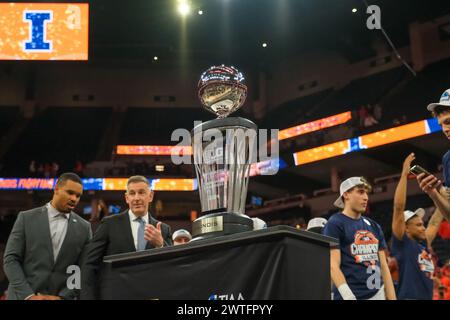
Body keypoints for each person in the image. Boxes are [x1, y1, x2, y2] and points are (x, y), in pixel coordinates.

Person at [81, 175, 172, 300]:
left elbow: (172, 268)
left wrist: (161, 245)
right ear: (126, 197)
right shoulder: (109, 224)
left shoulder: (163, 229)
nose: (137, 198)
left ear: (150, 196)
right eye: (132, 193)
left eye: (141, 193)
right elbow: (89, 265)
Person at [3, 173, 91, 300]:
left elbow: (83, 269)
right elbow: (10, 260)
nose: (74, 199)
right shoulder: (26, 218)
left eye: (78, 196)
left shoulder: (84, 227)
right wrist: (29, 296)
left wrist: (64, 297)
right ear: (56, 190)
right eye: (70, 192)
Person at [322, 177, 396, 300]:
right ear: (346, 195)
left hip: (377, 293)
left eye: (366, 193)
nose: (366, 197)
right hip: (351, 295)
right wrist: (348, 296)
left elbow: (384, 266)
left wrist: (392, 298)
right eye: (361, 192)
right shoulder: (335, 223)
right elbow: (333, 265)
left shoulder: (374, 226)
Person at [391, 153, 443, 299]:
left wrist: (444, 196)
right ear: (406, 228)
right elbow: (398, 207)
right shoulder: (403, 244)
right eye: (418, 225)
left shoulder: (423, 244)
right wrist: (404, 175)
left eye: (422, 225)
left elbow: (434, 222)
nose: (423, 228)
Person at [417, 89, 450, 220]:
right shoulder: (448, 159)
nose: (445, 129)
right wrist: (435, 194)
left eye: (448, 122)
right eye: (441, 125)